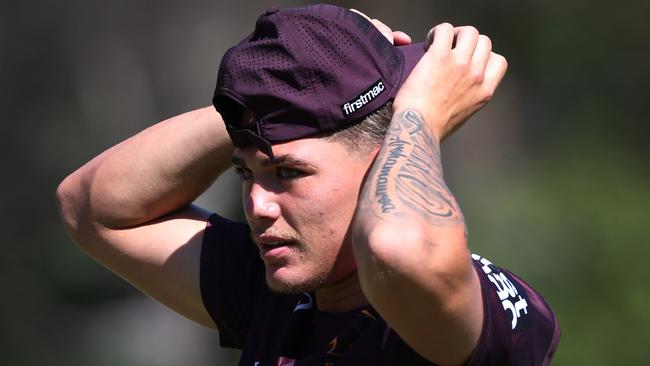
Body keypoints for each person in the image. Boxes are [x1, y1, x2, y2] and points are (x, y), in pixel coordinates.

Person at [57, 4, 560, 365]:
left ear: (384, 156)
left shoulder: (460, 304)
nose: (257, 205)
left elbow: (398, 251)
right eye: (246, 173)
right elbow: (92, 206)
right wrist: (268, 96)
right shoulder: (277, 290)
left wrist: (419, 113)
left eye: (288, 174)